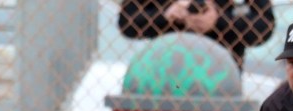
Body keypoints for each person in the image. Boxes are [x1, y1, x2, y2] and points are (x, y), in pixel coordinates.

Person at [118, 0, 275, 70]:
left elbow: (265, 26)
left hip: (220, 79)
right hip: (164, 76)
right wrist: (166, 15)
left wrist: (218, 21)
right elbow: (126, 22)